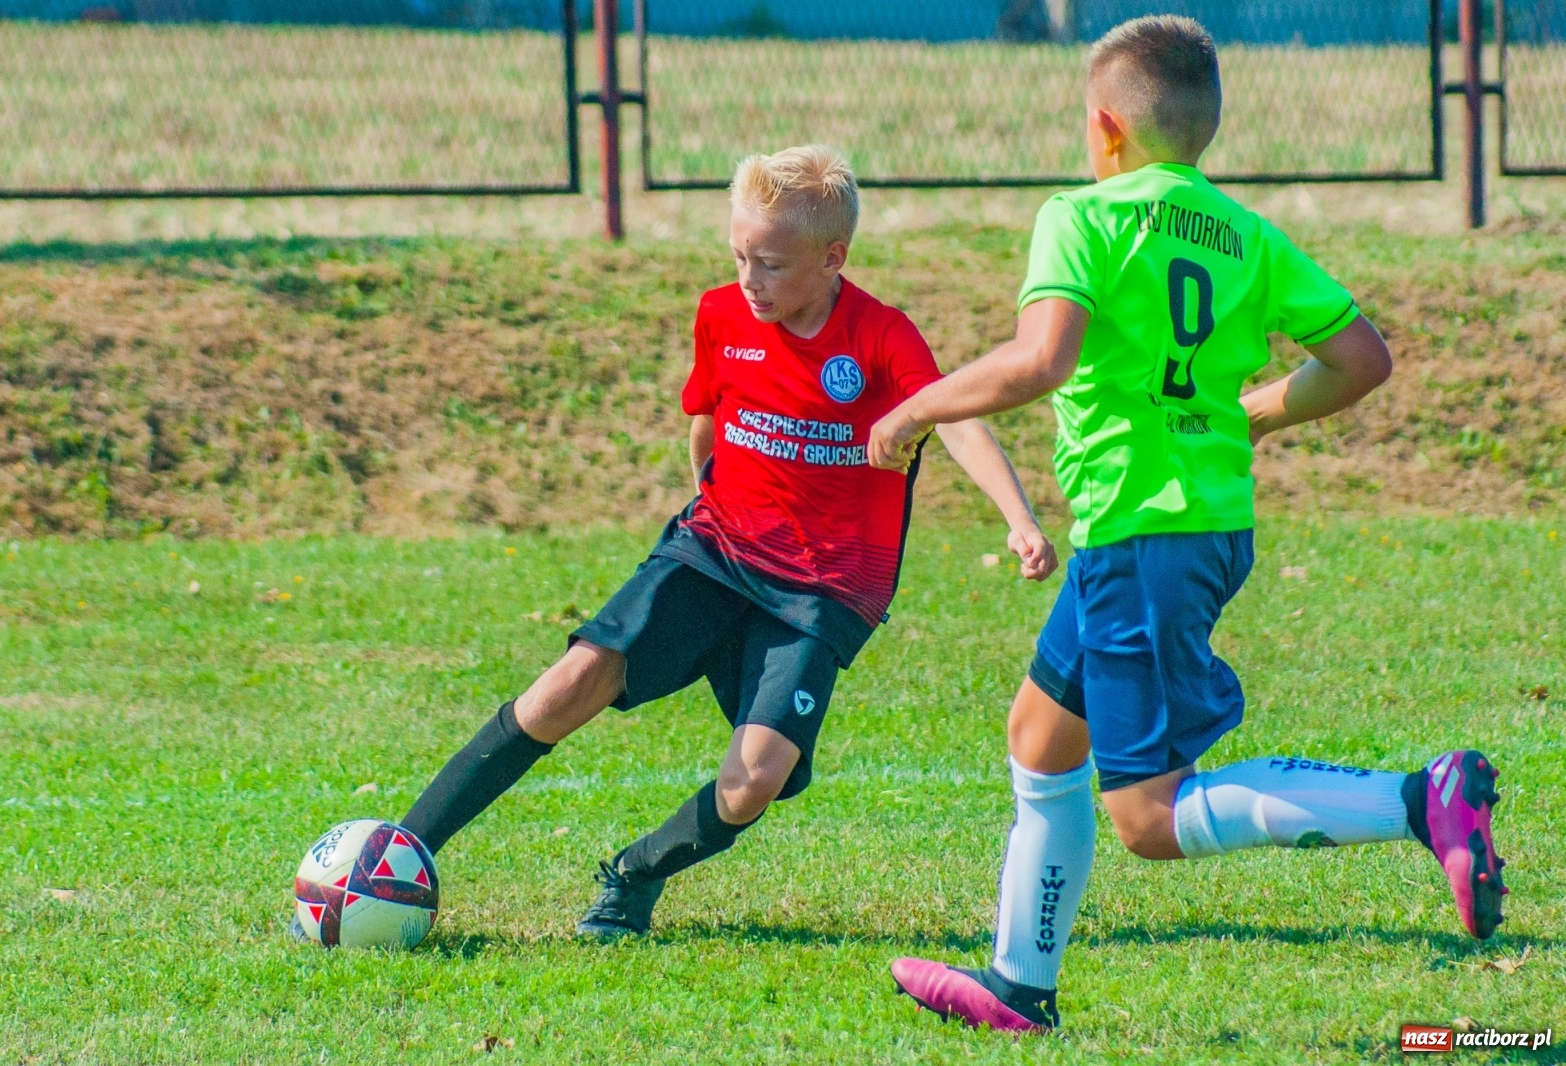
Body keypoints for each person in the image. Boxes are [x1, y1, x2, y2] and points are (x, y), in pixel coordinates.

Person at [869, 16, 1507, 1034]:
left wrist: (915, 407)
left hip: (1141, 535)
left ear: (1104, 127)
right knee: (1039, 738)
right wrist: (1254, 410)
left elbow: (1041, 359)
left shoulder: (1080, 217)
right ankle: (1016, 986)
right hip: (1189, 528)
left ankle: (1416, 799)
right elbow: (1359, 360)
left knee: (1149, 817)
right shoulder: (1244, 233)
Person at [392, 145, 1057, 940]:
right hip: (716, 552)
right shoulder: (720, 314)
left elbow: (956, 419)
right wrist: (710, 507)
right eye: (739, 254)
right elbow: (706, 423)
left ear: (832, 258)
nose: (750, 278)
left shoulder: (881, 336)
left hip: (825, 590)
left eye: (771, 263)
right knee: (572, 680)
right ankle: (399, 853)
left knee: (754, 783)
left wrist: (1018, 519)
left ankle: (635, 874)